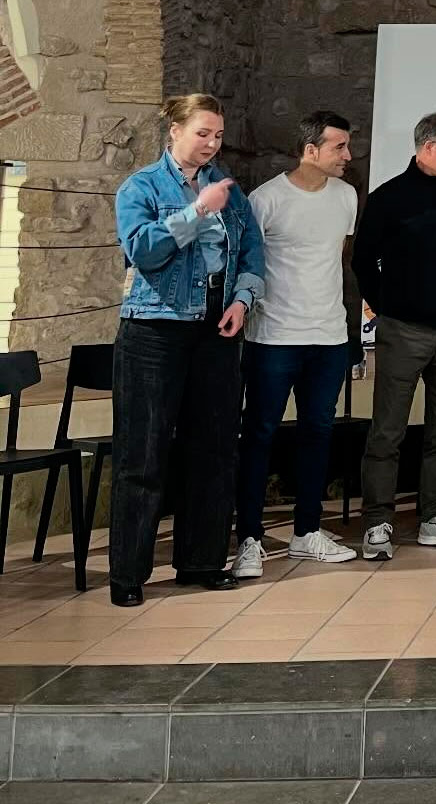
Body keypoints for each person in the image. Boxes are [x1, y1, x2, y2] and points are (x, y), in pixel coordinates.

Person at [109, 94, 265, 607]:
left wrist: (242, 300)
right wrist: (197, 211)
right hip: (155, 329)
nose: (212, 144)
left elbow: (252, 250)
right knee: (144, 453)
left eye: (218, 135)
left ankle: (201, 562)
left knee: (214, 448)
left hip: (216, 328)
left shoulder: (229, 190)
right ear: (174, 131)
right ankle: (128, 573)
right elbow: (143, 250)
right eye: (203, 133)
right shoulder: (142, 187)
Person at [233, 112, 359, 580]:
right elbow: (247, 263)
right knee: (260, 434)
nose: (348, 155)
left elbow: (337, 260)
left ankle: (307, 531)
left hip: (328, 337)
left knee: (318, 433)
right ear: (310, 150)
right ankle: (248, 538)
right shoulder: (265, 199)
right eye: (339, 147)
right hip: (274, 337)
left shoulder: (346, 196)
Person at [352, 112, 436, 560]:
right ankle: (377, 521)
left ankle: (435, 517)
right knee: (388, 430)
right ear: (428, 147)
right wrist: (388, 306)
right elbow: (363, 261)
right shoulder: (388, 198)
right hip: (403, 331)